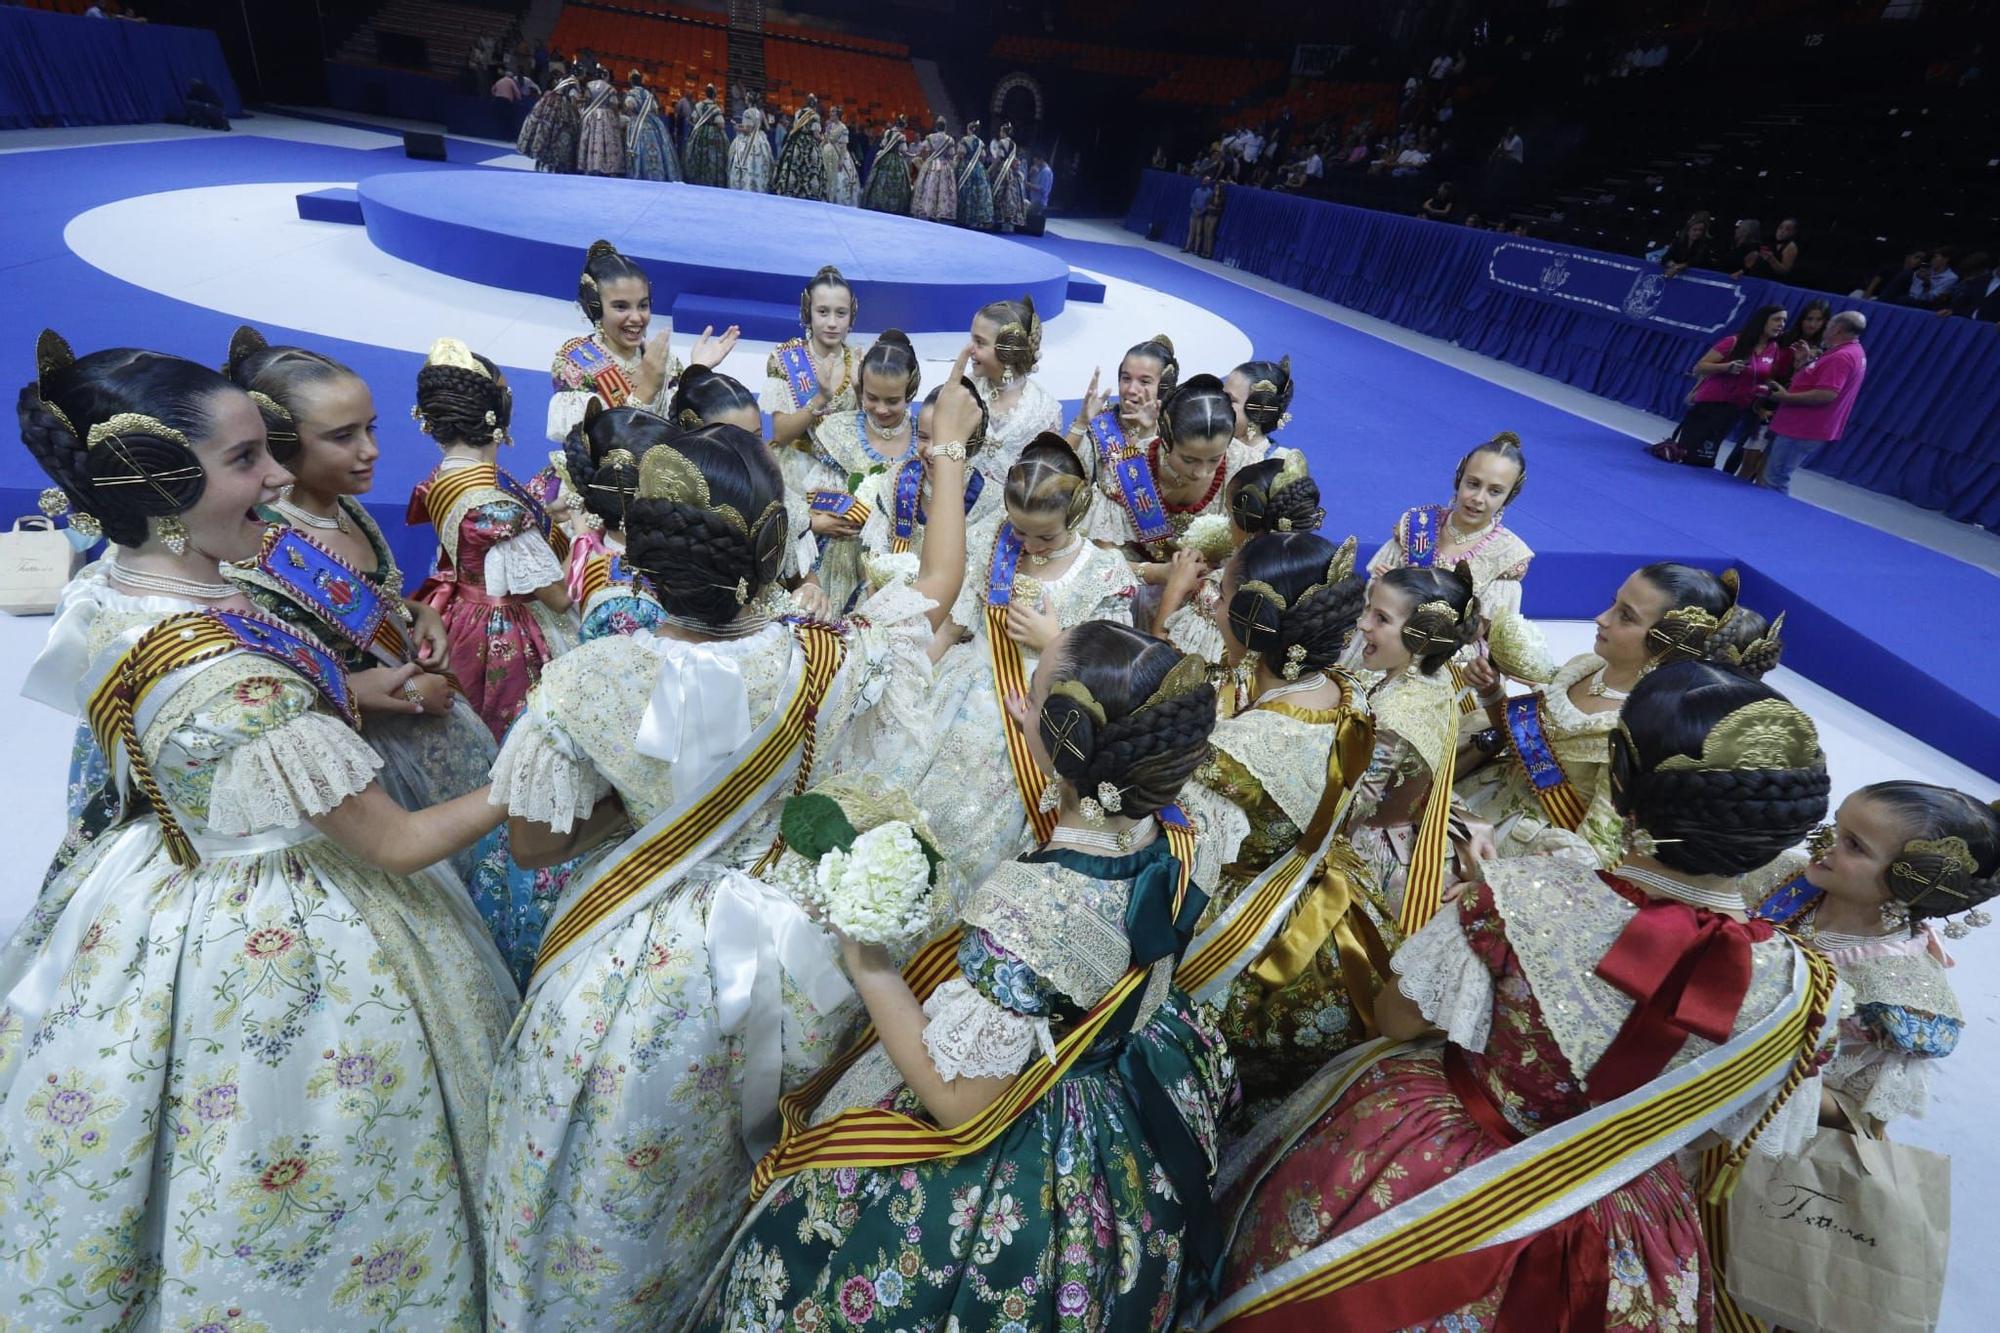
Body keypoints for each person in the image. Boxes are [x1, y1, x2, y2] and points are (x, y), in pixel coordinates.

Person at [5, 335, 516, 1324]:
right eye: (246, 459)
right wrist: (531, 769)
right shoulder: (229, 680)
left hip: (156, 871)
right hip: (284, 909)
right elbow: (400, 846)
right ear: (153, 481)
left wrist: (346, 684)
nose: (278, 475)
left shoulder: (124, 583)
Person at [481, 370, 988, 1328]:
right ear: (772, 550)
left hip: (626, 963)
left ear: (639, 553)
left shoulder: (590, 677)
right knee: (746, 1156)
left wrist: (651, 810)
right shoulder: (824, 657)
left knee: (609, 1165)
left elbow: (529, 838)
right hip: (791, 961)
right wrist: (948, 450)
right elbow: (934, 588)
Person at [1209, 660, 1838, 1331]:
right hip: (1622, 1228)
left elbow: (1395, 1017)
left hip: (1427, 1179)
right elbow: (1721, 1135)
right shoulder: (1803, 988)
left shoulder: (1525, 894)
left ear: (1621, 779)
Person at [702, 621, 1231, 1332]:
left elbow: (959, 1102)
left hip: (1020, 1143)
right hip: (1129, 1077)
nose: (1019, 705)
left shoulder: (1033, 906)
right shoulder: (1182, 828)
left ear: (1069, 736)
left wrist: (870, 960)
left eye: (1033, 694)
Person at [222, 328, 494, 879]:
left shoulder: (343, 508)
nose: (370, 451)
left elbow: (374, 598)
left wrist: (421, 614)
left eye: (370, 429)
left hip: (426, 732)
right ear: (279, 442)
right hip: (363, 773)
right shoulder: (252, 549)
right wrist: (377, 693)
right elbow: (255, 700)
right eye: (342, 437)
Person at [1176, 532, 1394, 1106]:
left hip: (1252, 925)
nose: (1209, 601)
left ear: (1252, 620)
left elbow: (1188, 851)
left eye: (1220, 594)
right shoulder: (1347, 691)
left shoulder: (1235, 754)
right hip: (1330, 891)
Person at [879, 438, 1134, 892]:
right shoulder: (990, 539)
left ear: (1075, 514)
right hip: (957, 698)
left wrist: (1053, 642)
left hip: (1039, 722)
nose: (1029, 544)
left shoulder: (1104, 574)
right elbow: (953, 627)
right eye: (1019, 531)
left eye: (1045, 536)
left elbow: (1114, 679)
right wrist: (906, 675)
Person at [1457, 562, 1743, 868]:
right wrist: (1491, 692)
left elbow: (1598, 850)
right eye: (1613, 604)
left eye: (1626, 616)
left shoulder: (1642, 731)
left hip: (1522, 852)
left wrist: (1494, 883)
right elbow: (1523, 741)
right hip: (1478, 796)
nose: (1601, 618)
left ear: (1667, 642)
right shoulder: (1586, 667)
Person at [406, 339, 575, 741]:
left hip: (460, 611)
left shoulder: (441, 477)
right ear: (499, 414)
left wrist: (539, 521)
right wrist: (584, 539)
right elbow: (558, 598)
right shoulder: (497, 509)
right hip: (504, 629)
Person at [1361, 433, 1533, 713]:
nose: (1478, 499)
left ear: (1510, 495)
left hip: (1447, 658)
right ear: (1459, 477)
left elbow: (1482, 631)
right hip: (1386, 640)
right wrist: (1384, 587)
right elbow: (1370, 598)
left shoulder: (1507, 555)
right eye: (1473, 484)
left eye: (1494, 491)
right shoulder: (1417, 524)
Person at [1088, 375, 1262, 631]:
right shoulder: (1129, 469)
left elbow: (1257, 548)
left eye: (1214, 459)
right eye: (1189, 460)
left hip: (1217, 591)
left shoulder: (1245, 466)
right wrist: (1161, 574)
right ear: (1166, 438)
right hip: (1139, 587)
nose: (1201, 472)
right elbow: (1100, 561)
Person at [780, 331, 927, 614]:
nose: (881, 409)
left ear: (911, 391)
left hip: (904, 559)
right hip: (840, 556)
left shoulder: (923, 438)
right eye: (872, 397)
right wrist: (816, 521)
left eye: (893, 401)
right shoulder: (837, 431)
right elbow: (801, 495)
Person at [1155, 449, 1323, 686]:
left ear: (1247, 523)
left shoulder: (1220, 591)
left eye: (1230, 515)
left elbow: (1163, 667)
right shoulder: (1318, 568)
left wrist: (1174, 590)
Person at [546, 240, 739, 442]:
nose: (637, 318)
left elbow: (679, 424)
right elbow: (599, 445)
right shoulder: (576, 363)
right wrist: (646, 390)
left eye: (643, 305)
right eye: (621, 307)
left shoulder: (664, 360)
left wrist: (698, 369)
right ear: (595, 308)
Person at [1647, 304, 1791, 468]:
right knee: (1691, 456)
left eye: (1784, 321)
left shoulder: (1773, 349)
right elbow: (1700, 366)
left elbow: (1765, 378)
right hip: (1710, 405)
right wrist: (1726, 367)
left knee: (1706, 459)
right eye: (1777, 319)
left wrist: (1764, 395)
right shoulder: (1734, 341)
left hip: (1734, 410)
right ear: (1762, 321)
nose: (1781, 324)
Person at [1760, 309, 1868, 494]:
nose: (1824, 330)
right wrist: (1803, 363)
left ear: (1837, 330)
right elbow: (1816, 382)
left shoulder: (1841, 357)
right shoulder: (1848, 352)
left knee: (1775, 479)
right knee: (1773, 475)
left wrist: (1785, 397)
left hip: (1803, 427)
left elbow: (1827, 394)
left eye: (1827, 326)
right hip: (1802, 426)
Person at [1722, 297, 1829, 480]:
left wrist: (1804, 364)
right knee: (1744, 451)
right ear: (1801, 319)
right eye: (1809, 319)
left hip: (1791, 405)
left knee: (1767, 462)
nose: (1812, 324)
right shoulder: (1783, 339)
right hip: (1765, 397)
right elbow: (1766, 367)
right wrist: (1760, 402)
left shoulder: (1824, 350)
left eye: (1818, 320)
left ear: (1825, 322)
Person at [965, 294, 1064, 478]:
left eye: (980, 342)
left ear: (1009, 351)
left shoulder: (1044, 411)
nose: (970, 349)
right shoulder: (964, 390)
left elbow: (1042, 480)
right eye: (972, 339)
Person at [764, 265, 859, 452]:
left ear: (852, 315)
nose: (832, 323)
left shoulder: (860, 362)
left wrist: (861, 392)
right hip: (796, 472)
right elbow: (780, 434)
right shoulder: (785, 359)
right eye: (823, 312)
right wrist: (820, 399)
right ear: (808, 312)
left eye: (841, 313)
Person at [1223, 354, 1294, 459]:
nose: (1220, 403)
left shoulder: (1279, 465)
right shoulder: (1203, 437)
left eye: (1231, 400)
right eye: (1222, 396)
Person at [516, 71, 581, 173]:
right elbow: (573, 100)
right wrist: (577, 115)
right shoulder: (574, 82)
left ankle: (542, 160)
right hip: (562, 109)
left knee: (546, 132)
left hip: (548, 103)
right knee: (558, 134)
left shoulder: (565, 78)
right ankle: (555, 163)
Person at [624, 72, 682, 182]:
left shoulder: (631, 94)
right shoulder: (648, 94)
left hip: (637, 123)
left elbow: (630, 106)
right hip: (651, 124)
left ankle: (638, 172)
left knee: (636, 147)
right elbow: (655, 109)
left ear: (631, 82)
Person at [771, 93, 826, 200]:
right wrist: (824, 139)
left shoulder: (798, 113)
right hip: (810, 144)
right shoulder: (815, 116)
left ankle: (791, 189)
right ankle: (808, 191)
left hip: (796, 142)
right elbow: (816, 135)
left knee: (792, 165)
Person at [861, 114, 914, 214]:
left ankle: (878, 202)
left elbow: (883, 145)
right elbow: (903, 150)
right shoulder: (901, 136)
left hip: (885, 158)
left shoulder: (888, 132)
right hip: (896, 159)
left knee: (880, 180)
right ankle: (893, 206)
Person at [575, 74, 626, 177]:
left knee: (591, 139)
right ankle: (609, 167)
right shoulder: (610, 88)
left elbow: (587, 101)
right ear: (605, 77)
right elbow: (613, 104)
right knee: (608, 142)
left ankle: (590, 166)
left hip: (592, 115)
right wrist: (616, 117)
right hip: (606, 115)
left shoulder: (589, 85)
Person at [910, 116, 959, 223]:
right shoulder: (949, 140)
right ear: (945, 127)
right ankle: (942, 212)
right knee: (943, 189)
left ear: (936, 127)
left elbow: (925, 151)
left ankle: (927, 209)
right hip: (944, 165)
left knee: (928, 186)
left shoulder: (930, 137)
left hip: (931, 164)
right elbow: (951, 155)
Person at [683, 82, 729, 187]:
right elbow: (721, 124)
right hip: (714, 136)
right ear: (714, 95)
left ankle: (697, 178)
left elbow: (694, 119)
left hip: (699, 134)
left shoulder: (699, 105)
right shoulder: (716, 108)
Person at [727, 90, 774, 192]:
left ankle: (743, 184)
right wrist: (741, 126)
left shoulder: (747, 112)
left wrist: (737, 128)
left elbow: (748, 130)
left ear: (748, 100)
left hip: (748, 141)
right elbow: (761, 127)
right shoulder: (759, 112)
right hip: (759, 138)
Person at [955, 118, 995, 230]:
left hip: (965, 168)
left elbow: (961, 153)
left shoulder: (964, 140)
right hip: (978, 168)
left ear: (969, 129)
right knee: (978, 193)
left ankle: (963, 217)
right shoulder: (981, 142)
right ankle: (976, 219)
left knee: (965, 191)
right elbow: (983, 156)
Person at [990, 121, 1028, 231]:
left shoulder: (1001, 142)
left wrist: (990, 169)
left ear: (1003, 132)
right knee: (1009, 196)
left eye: (1001, 131)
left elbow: (999, 158)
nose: (1000, 133)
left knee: (998, 194)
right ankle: (1007, 222)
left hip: (1001, 171)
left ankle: (997, 220)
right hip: (1010, 172)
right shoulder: (1014, 144)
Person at [1741, 216, 1803, 282]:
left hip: (1771, 284)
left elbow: (1785, 271)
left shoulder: (1791, 246)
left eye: (1787, 229)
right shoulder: (1770, 240)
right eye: (1780, 227)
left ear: (1793, 232)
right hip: (1755, 278)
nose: (1782, 231)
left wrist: (1771, 259)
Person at [821, 104, 861, 205]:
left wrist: (841, 160)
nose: (830, 114)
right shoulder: (829, 125)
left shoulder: (843, 128)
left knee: (840, 178)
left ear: (838, 114)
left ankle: (839, 200)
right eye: (830, 112)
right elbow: (825, 140)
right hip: (827, 155)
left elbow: (843, 145)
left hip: (838, 155)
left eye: (833, 112)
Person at [1661, 209, 1717, 278]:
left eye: (1700, 230)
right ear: (1688, 230)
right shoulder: (1678, 242)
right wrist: (1673, 265)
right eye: (1695, 229)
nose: (1698, 233)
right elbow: (1665, 258)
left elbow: (1695, 261)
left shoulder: (1704, 245)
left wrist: (1678, 267)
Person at [1185, 174, 1216, 253]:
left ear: (1209, 182)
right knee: (1191, 231)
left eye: (1207, 181)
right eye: (1204, 180)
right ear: (1202, 181)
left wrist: (1201, 212)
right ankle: (1187, 247)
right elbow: (1192, 202)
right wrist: (1195, 210)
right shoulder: (1197, 190)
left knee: (1198, 233)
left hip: (1201, 215)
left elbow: (1207, 205)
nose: (1205, 182)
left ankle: (1196, 250)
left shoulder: (1210, 193)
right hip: (1193, 214)